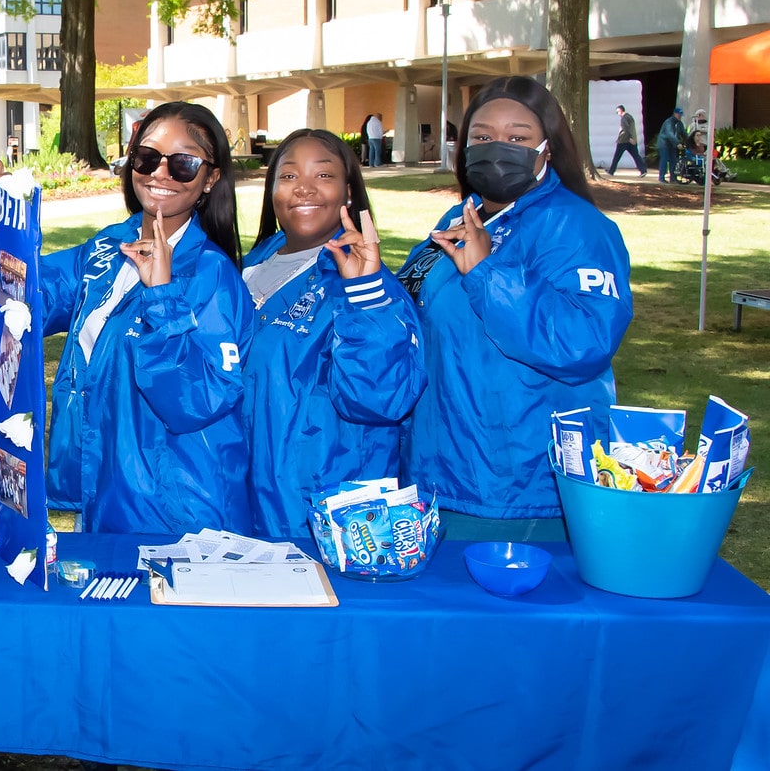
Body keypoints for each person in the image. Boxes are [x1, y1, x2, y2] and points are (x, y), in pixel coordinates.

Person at [395, 76, 633, 541]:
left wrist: (488, 273)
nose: (496, 147)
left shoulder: (577, 227)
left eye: (517, 137)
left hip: (521, 491)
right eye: (482, 136)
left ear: (548, 147)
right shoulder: (459, 218)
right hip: (441, 473)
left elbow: (583, 342)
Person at [41, 101, 254, 535]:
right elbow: (32, 293)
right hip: (110, 488)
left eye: (184, 163)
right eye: (147, 156)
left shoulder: (210, 275)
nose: (160, 173)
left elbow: (197, 401)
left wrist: (162, 297)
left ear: (210, 178)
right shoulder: (109, 246)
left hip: (177, 511)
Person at [242, 129, 426, 540]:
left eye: (323, 176)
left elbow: (381, 400)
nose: (303, 188)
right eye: (288, 176)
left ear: (348, 193)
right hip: (248, 500)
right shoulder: (255, 263)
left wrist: (364, 295)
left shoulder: (367, 283)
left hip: (324, 514)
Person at [608, 105, 647, 177]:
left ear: (621, 111)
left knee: (617, 156)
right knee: (636, 155)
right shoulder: (630, 117)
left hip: (624, 140)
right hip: (632, 140)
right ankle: (643, 170)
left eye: (617, 112)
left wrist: (629, 138)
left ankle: (611, 171)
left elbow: (625, 129)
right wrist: (632, 138)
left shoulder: (623, 119)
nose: (617, 114)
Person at [656, 107, 686, 183]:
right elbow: (670, 134)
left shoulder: (680, 124)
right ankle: (661, 178)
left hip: (672, 145)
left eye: (681, 115)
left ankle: (673, 178)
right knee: (664, 160)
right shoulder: (668, 122)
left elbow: (684, 134)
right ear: (675, 114)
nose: (680, 116)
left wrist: (690, 142)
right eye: (679, 115)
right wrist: (677, 143)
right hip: (664, 144)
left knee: (673, 161)